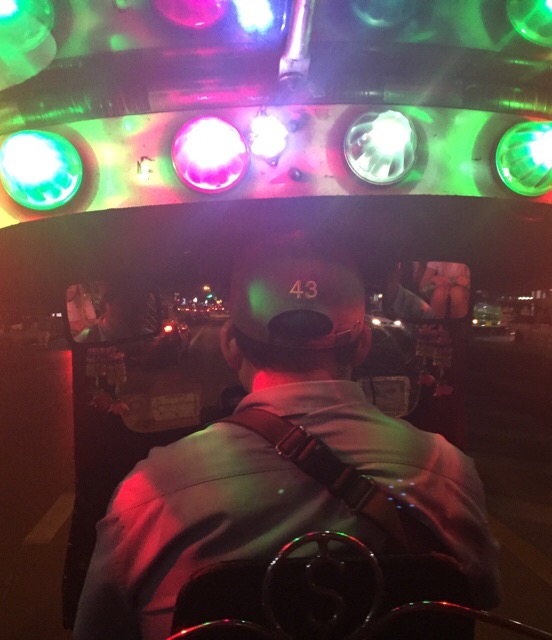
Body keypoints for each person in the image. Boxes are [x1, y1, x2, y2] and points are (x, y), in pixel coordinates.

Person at [73, 234, 500, 640]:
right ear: (363, 344)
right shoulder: (447, 472)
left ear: (230, 345)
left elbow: (100, 629)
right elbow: (478, 598)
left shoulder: (150, 494)